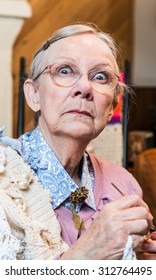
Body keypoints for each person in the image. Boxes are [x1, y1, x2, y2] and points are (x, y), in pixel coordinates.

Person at [0, 22, 156, 260]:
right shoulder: (4, 181)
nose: (84, 87)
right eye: (64, 70)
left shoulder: (124, 185)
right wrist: (89, 252)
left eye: (100, 76)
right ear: (33, 95)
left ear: (111, 106)